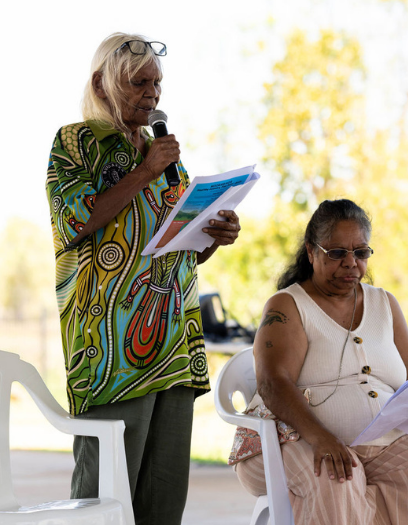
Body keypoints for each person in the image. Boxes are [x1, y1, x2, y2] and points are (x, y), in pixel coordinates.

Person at [46, 32, 242, 524]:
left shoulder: (166, 157)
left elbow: (179, 254)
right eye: (139, 82)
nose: (153, 93)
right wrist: (145, 170)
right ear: (102, 82)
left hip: (175, 345)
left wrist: (214, 235)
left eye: (157, 83)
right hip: (110, 349)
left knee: (163, 497)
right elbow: (73, 221)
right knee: (104, 498)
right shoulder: (76, 142)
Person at [233, 198, 408, 524]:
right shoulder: (288, 305)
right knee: (338, 478)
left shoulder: (385, 303)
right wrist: (322, 437)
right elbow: (273, 384)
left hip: (378, 444)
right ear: (311, 252)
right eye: (336, 253)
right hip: (289, 442)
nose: (350, 263)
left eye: (360, 252)